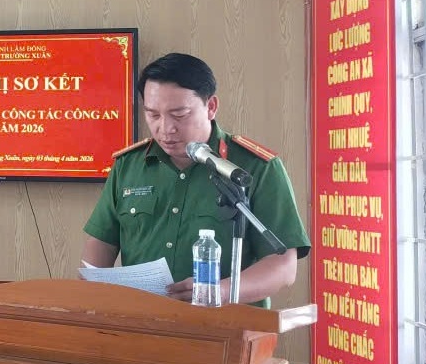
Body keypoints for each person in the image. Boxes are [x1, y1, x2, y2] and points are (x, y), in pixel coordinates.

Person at [81, 52, 310, 307]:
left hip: (225, 324)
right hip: (143, 321)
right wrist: (90, 303)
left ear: (211, 107)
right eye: (153, 115)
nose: (166, 128)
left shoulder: (253, 168)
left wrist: (219, 292)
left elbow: (283, 265)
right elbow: (101, 246)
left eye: (179, 115)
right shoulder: (129, 165)